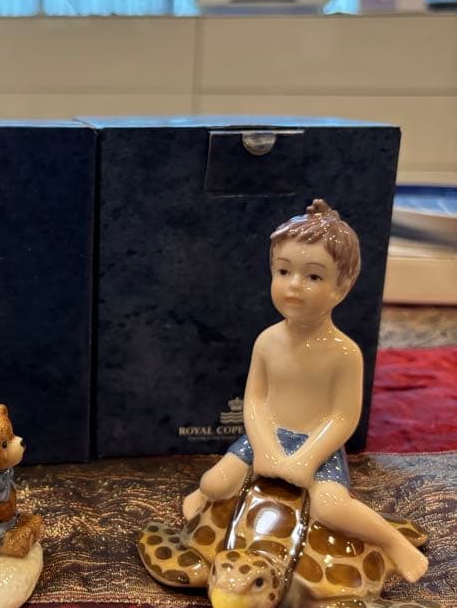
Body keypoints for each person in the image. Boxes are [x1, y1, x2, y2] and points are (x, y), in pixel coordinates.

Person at [182, 199, 428, 583]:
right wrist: (265, 447)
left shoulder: (345, 353)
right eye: (283, 271)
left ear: (341, 287)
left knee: (329, 507)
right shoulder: (267, 341)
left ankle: (393, 541)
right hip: (267, 435)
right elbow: (256, 401)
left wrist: (306, 460)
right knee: (213, 483)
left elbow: (343, 417)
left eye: (313, 276)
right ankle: (205, 498)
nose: (294, 285)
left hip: (318, 444)